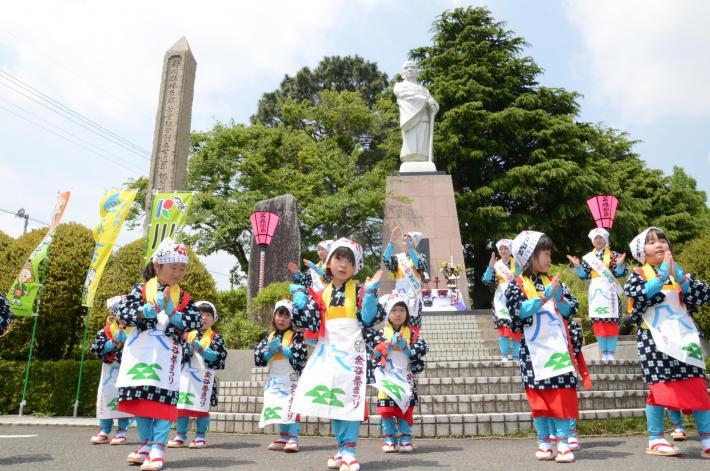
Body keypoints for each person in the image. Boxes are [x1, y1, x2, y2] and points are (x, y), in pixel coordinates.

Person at [290, 238, 386, 471]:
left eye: (348, 261)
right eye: (338, 259)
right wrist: (299, 297)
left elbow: (369, 318)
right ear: (329, 262)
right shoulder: (321, 293)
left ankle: (349, 451)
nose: (343, 265)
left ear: (355, 267)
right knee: (333, 402)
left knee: (349, 401)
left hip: (353, 352)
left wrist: (372, 291)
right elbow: (306, 321)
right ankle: (341, 449)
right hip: (328, 351)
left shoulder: (360, 290)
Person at [115, 239, 201, 470]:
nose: (178, 273)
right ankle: (146, 443)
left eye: (182, 268)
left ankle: (158, 449)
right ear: (157, 265)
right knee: (141, 399)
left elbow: (195, 321)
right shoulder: (141, 290)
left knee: (162, 401)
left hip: (166, 356)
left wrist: (174, 314)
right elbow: (123, 312)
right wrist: (146, 310)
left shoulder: (183, 297)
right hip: (140, 354)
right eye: (173, 267)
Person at [624, 227, 710, 458]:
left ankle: (707, 438)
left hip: (684, 338)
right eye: (652, 242)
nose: (660, 244)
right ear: (642, 252)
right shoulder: (639, 274)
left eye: (662, 240)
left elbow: (704, 295)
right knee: (661, 388)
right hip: (654, 339)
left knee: (697, 386)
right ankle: (656, 438)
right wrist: (661, 277)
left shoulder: (679, 273)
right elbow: (637, 296)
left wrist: (680, 277)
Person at [505, 231, 584, 463]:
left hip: (559, 349)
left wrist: (559, 298)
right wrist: (543, 298)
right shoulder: (515, 285)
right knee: (538, 399)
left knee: (560, 396)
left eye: (550, 253)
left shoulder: (555, 282)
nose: (550, 259)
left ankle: (562, 441)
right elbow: (518, 311)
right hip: (533, 351)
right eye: (545, 254)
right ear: (530, 256)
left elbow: (571, 309)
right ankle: (543, 441)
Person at [371, 292, 428, 453]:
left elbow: (422, 348)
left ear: (407, 313)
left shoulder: (413, 334)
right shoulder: (380, 333)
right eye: (394, 310)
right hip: (387, 378)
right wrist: (386, 346)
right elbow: (374, 352)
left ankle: (405, 437)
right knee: (386, 410)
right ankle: (389, 438)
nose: (398, 314)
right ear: (387, 313)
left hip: (405, 377)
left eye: (402, 310)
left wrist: (406, 348)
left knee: (406, 408)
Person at [168, 301, 227, 449]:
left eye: (208, 314)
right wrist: (189, 346)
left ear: (214, 319)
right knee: (183, 406)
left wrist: (202, 350)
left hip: (205, 377)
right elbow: (177, 355)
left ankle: (200, 436)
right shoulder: (186, 335)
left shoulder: (216, 337)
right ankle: (180, 435)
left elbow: (218, 357)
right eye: (201, 314)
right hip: (186, 377)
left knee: (202, 406)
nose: (204, 317)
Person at [254, 300, 308, 452]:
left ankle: (293, 438)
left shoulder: (297, 336)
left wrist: (283, 350)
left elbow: (300, 355)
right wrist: (269, 351)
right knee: (277, 406)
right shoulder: (268, 336)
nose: (282, 319)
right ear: (274, 316)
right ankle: (283, 436)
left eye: (286, 315)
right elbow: (259, 358)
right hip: (275, 377)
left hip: (291, 377)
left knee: (291, 406)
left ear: (292, 319)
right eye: (279, 314)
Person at [567, 228, 627, 360]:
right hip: (595, 290)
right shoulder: (589, 257)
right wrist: (577, 266)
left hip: (610, 289)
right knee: (598, 320)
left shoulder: (613, 255)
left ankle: (610, 353)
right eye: (596, 238)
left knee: (611, 320)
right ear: (592, 241)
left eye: (601, 237)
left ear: (605, 239)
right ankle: (603, 352)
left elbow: (619, 273)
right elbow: (584, 276)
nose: (598, 240)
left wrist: (620, 266)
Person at [89, 296, 132, 445]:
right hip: (109, 369)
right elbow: (97, 349)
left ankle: (122, 431)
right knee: (106, 397)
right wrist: (114, 341)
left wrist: (126, 341)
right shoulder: (105, 331)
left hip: (127, 369)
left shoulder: (135, 330)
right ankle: (104, 430)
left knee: (124, 398)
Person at [482, 238, 521, 362]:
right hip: (500, 300)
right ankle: (504, 356)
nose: (503, 251)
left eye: (506, 248)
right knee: (503, 328)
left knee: (516, 327)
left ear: (511, 250)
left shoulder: (518, 262)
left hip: (515, 298)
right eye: (501, 249)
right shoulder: (497, 265)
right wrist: (490, 267)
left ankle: (516, 356)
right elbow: (487, 281)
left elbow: (523, 279)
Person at [394, 60, 439, 163]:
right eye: (406, 67)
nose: (410, 69)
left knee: (422, 143)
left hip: (424, 119)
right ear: (402, 74)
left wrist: (433, 105)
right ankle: (410, 156)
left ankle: (424, 157)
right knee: (411, 144)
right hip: (410, 118)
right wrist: (424, 100)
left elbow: (432, 102)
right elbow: (404, 95)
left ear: (417, 72)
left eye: (413, 67)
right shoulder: (399, 86)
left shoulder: (424, 90)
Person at [382, 226, 427, 328]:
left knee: (412, 328)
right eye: (404, 240)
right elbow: (386, 260)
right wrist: (392, 242)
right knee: (397, 325)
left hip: (414, 298)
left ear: (414, 243)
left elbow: (420, 265)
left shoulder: (420, 257)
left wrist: (410, 249)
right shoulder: (398, 258)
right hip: (399, 296)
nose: (405, 242)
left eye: (409, 240)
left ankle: (412, 343)